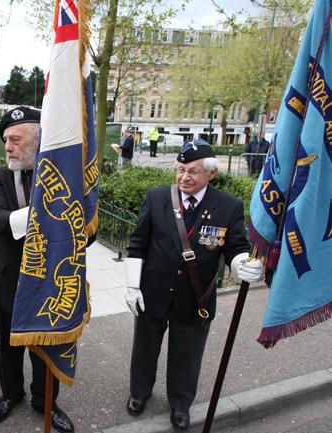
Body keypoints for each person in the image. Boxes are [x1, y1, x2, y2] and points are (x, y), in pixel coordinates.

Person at [123, 140, 264, 431]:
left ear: (211, 174)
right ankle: (139, 393)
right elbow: (137, 245)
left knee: (186, 356)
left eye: (193, 172)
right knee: (145, 349)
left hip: (196, 299)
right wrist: (132, 286)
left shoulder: (228, 206)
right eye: (180, 170)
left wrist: (242, 265)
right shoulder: (157, 197)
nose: (184, 177)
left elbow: (235, 247)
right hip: (154, 293)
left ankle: (180, 404)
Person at [0, 107, 75, 433]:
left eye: (15, 140)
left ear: (39, 140)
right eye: (6, 140)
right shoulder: (1, 176)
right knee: (8, 346)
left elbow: (85, 232)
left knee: (45, 347)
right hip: (7, 278)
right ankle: (10, 394)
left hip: (51, 280)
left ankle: (45, 401)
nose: (7, 146)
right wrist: (45, 214)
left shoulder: (66, 176)